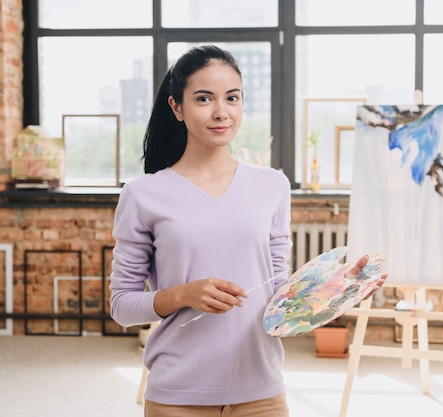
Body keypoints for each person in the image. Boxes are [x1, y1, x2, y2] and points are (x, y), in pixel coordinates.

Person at [109, 44, 386, 417]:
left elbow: (276, 293)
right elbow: (122, 306)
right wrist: (182, 294)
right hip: (178, 394)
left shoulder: (272, 185)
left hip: (262, 391)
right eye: (204, 99)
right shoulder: (143, 195)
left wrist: (339, 286)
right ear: (176, 107)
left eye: (232, 98)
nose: (221, 112)